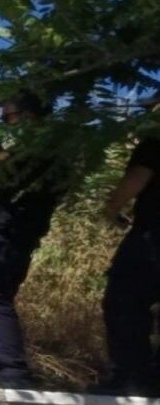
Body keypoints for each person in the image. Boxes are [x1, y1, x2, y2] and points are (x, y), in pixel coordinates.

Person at [0, 92, 63, 388]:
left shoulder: (42, 149)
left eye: (8, 116)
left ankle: (12, 370)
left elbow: (0, 170)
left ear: (29, 116)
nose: (3, 122)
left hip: (6, 233)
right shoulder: (46, 149)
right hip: (8, 234)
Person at [91, 97, 160, 397]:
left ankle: (132, 375)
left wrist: (111, 209)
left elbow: (137, 178)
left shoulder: (155, 140)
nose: (148, 113)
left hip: (153, 235)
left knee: (124, 300)